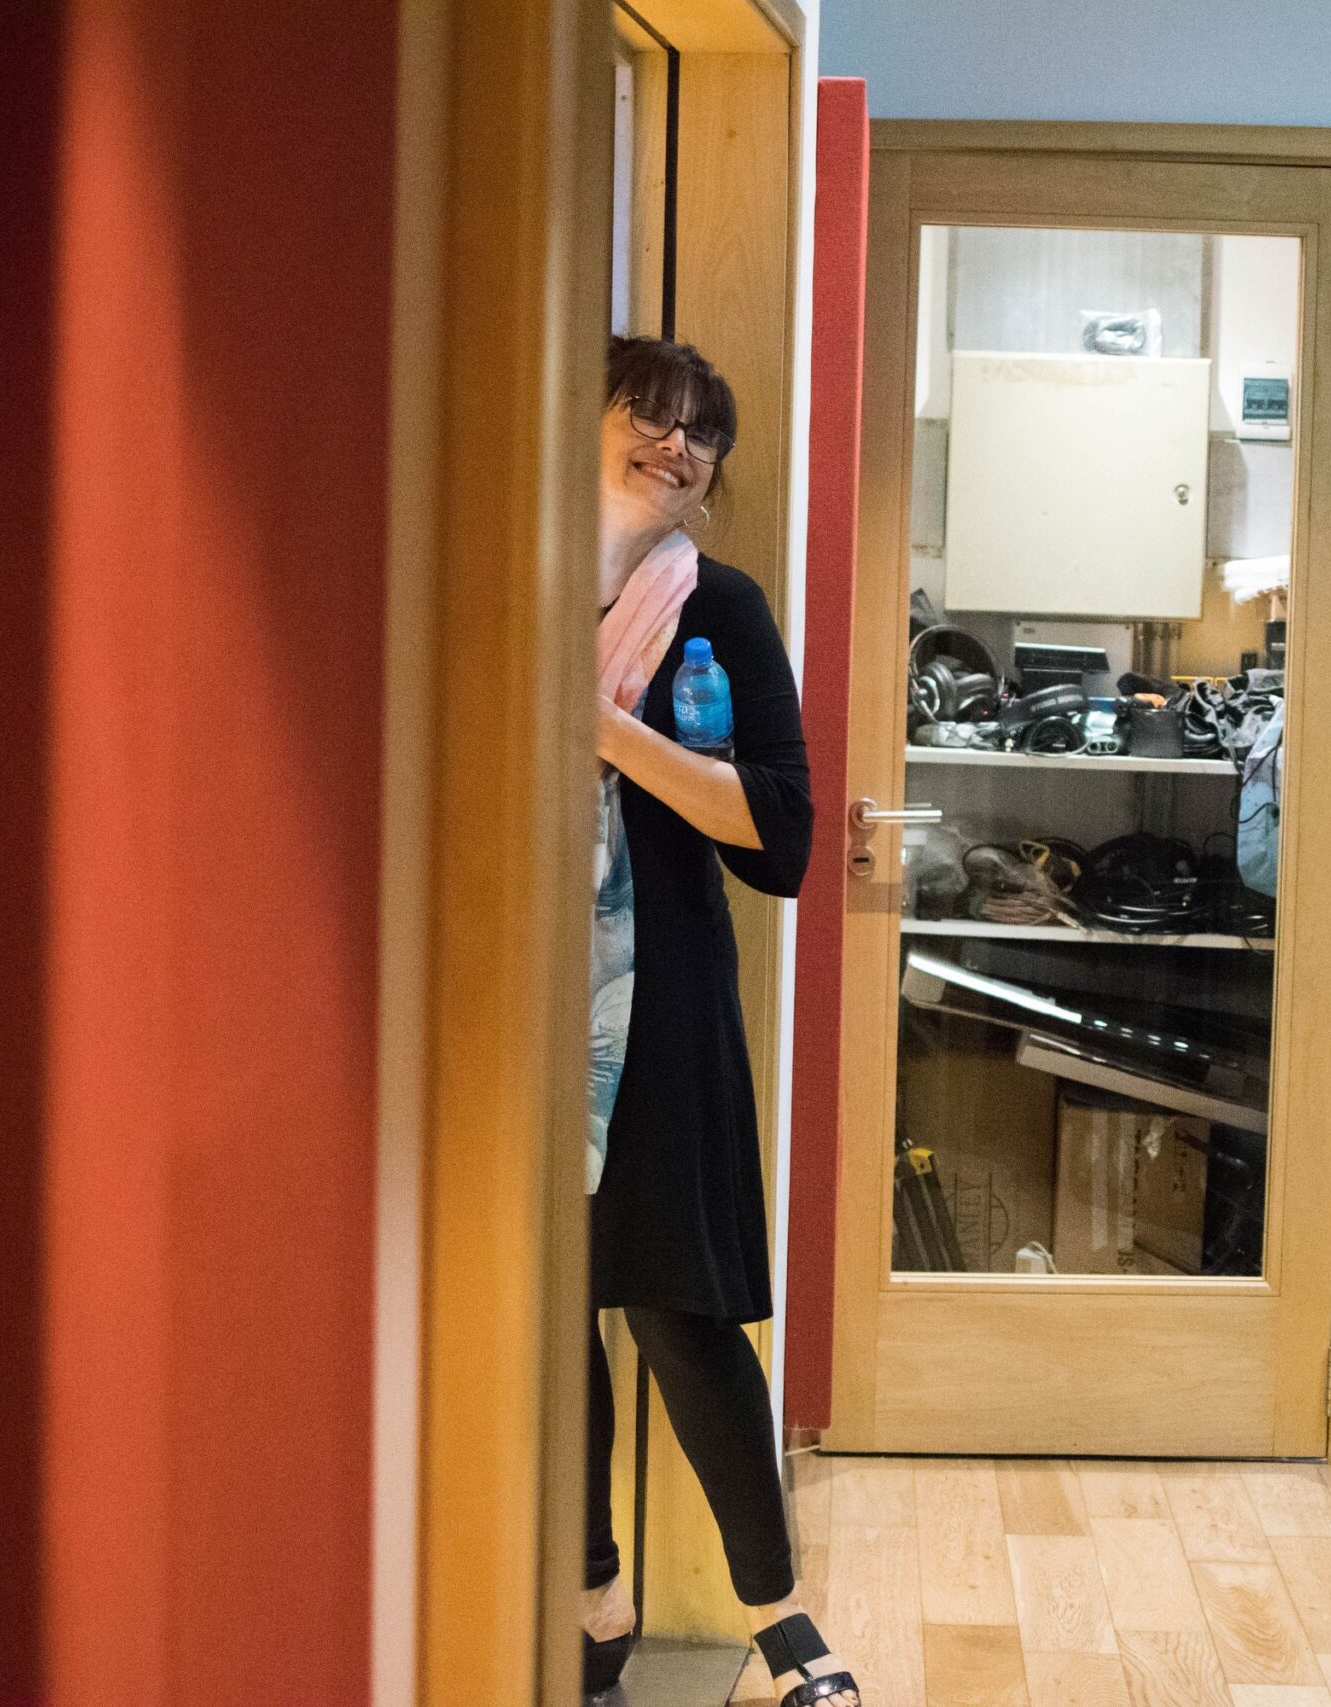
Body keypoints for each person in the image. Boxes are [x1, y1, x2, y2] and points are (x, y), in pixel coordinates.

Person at [584, 335, 857, 1707]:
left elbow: (782, 839)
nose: (676, 443)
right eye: (649, 411)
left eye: (703, 431)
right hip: (509, 996)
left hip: (665, 1004)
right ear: (586, 419)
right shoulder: (502, 576)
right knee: (544, 1308)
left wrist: (603, 730)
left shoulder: (719, 609)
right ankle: (592, 1598)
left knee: (681, 1309)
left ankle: (777, 1616)